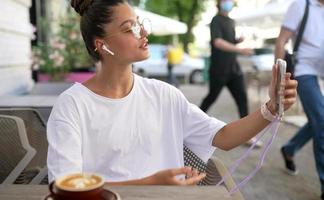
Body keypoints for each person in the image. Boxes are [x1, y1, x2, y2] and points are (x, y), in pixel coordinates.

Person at [47, 0, 297, 186]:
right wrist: (152, 183)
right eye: (128, 29)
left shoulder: (164, 95)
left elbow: (224, 137)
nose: (143, 33)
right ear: (101, 45)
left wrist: (270, 108)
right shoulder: (73, 105)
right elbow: (65, 188)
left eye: (139, 24)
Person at [275, 0, 324, 199]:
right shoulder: (301, 5)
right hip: (304, 70)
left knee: (319, 120)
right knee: (322, 121)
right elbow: (281, 41)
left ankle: (290, 148)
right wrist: (279, 79)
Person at [199, 0, 261, 147]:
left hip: (234, 69)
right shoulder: (216, 20)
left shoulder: (231, 21)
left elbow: (228, 41)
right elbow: (218, 42)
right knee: (211, 98)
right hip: (219, 69)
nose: (228, 3)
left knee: (242, 99)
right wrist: (240, 50)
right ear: (219, 3)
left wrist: (237, 41)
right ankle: (190, 123)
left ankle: (247, 136)